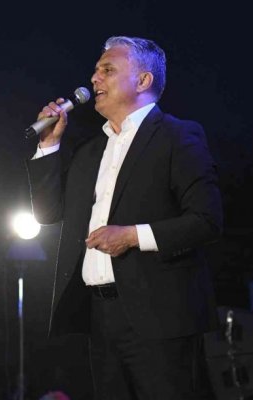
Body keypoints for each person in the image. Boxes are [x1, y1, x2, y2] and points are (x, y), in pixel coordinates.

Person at [26, 36, 222, 399]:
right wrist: (49, 145)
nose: (94, 79)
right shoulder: (89, 151)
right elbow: (48, 213)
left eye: (107, 70)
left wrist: (132, 236)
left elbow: (206, 221)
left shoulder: (178, 136)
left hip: (161, 318)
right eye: (95, 70)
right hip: (99, 317)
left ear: (143, 80)